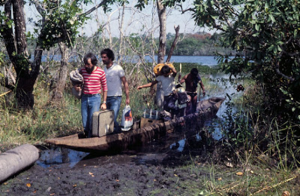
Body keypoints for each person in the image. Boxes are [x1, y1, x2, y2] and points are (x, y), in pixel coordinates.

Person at [74, 52, 108, 138]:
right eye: (85, 64)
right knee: (85, 121)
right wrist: (76, 86)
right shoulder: (82, 70)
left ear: (93, 63)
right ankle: (86, 136)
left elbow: (105, 88)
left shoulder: (100, 72)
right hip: (85, 97)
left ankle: (91, 138)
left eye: (88, 64)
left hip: (95, 98)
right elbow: (74, 77)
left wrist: (104, 102)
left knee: (92, 121)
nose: (86, 66)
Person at [101, 48, 130, 131]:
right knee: (106, 118)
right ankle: (117, 132)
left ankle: (119, 133)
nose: (103, 59)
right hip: (106, 98)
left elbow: (125, 82)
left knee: (112, 119)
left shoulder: (118, 68)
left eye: (104, 57)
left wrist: (127, 97)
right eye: (102, 57)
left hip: (116, 97)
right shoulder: (104, 70)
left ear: (110, 58)